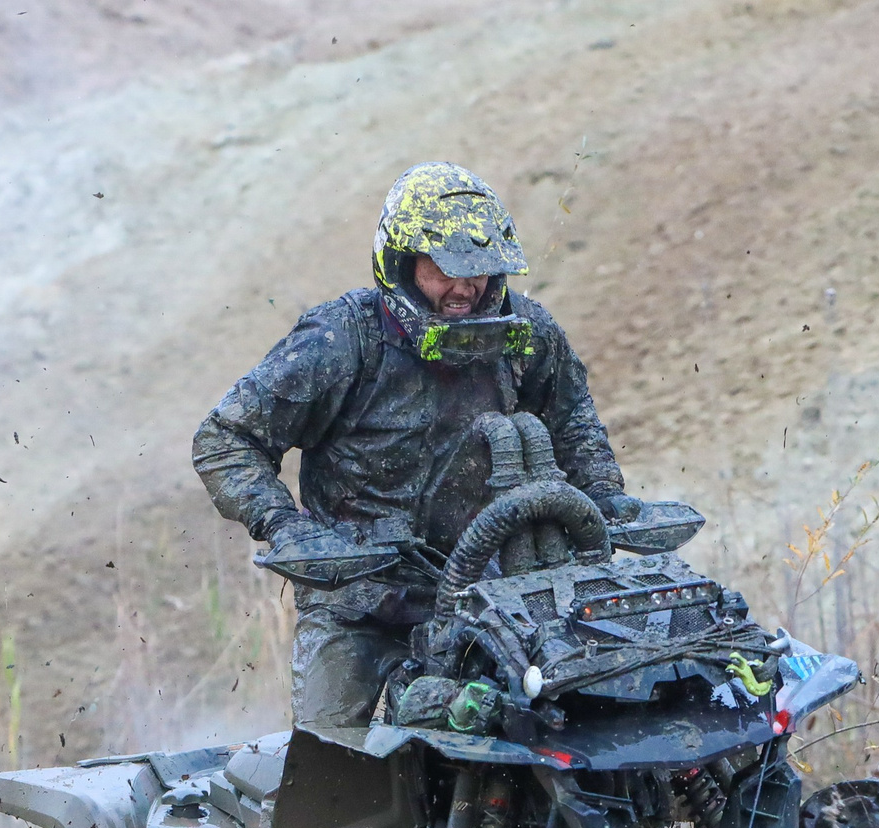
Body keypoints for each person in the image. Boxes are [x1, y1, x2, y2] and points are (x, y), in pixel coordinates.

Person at [192, 161, 635, 727]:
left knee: (534, 734)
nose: (464, 288)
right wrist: (287, 526)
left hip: (487, 593)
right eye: (445, 268)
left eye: (479, 271)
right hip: (357, 599)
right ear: (401, 262)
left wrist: (602, 492)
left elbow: (573, 421)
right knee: (331, 775)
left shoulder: (526, 334)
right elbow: (225, 437)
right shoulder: (339, 341)